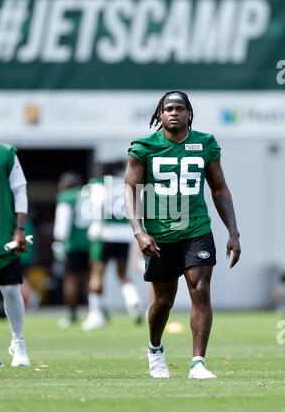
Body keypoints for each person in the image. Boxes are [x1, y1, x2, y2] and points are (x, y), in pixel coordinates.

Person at [125, 91, 241, 379]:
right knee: (163, 301)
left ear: (189, 113)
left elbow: (219, 188)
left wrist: (233, 232)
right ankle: (155, 350)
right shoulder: (144, 146)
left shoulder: (205, 143)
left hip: (196, 228)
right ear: (159, 115)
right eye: (168, 109)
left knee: (200, 289)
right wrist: (139, 231)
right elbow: (130, 190)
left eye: (180, 108)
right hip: (160, 233)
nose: (174, 113)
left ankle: (198, 363)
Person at [0, 122, 30, 367]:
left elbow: (20, 189)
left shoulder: (4, 152)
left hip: (4, 234)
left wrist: (20, 228)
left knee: (11, 289)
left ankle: (19, 342)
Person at [82, 161, 142, 331]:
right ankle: (132, 298)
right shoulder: (125, 183)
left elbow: (98, 204)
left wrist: (96, 225)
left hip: (105, 233)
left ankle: (95, 314)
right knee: (122, 273)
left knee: (96, 274)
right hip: (124, 233)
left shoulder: (100, 183)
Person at [52, 171, 90, 327]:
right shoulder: (87, 195)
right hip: (90, 242)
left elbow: (62, 223)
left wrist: (58, 242)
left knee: (71, 279)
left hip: (73, 244)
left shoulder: (66, 198)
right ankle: (95, 311)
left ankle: (72, 314)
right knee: (90, 279)